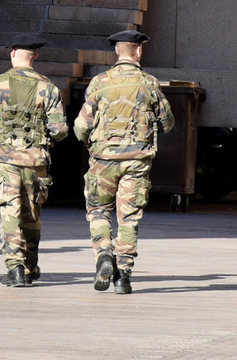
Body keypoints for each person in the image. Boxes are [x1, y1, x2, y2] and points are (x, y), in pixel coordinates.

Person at [74, 29, 174, 294]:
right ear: (138, 51)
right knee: (129, 217)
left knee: (98, 210)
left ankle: (104, 254)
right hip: (137, 161)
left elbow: (81, 127)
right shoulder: (150, 83)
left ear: (116, 52)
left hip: (103, 160)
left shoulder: (99, 82)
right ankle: (123, 276)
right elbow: (167, 123)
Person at [0, 33, 67, 287]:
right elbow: (60, 129)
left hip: (4, 158)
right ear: (35, 55)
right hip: (36, 159)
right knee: (32, 213)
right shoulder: (49, 87)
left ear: (12, 52)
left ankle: (15, 268)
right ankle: (31, 265)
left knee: (9, 210)